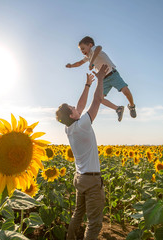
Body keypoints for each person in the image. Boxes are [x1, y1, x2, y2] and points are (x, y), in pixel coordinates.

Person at [56, 64, 109, 240]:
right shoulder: (83, 125)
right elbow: (97, 101)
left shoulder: (69, 129)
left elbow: (80, 105)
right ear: (72, 115)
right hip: (92, 181)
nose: (75, 107)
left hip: (80, 178)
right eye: (72, 108)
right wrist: (100, 79)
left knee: (78, 214)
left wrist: (87, 85)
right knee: (94, 223)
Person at [66, 36, 136, 122]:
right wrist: (71, 66)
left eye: (83, 48)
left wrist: (91, 62)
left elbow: (99, 48)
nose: (82, 51)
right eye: (81, 50)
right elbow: (80, 63)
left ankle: (132, 106)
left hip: (113, 75)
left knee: (126, 91)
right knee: (100, 99)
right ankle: (118, 109)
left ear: (90, 45)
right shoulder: (88, 56)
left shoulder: (94, 50)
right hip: (103, 79)